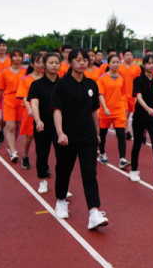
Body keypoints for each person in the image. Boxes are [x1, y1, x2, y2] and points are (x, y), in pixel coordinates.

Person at [51, 49, 108, 230]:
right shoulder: (62, 85)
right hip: (67, 136)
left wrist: (97, 133)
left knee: (89, 173)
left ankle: (94, 211)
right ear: (70, 63)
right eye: (77, 60)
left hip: (87, 136)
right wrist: (60, 132)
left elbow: (94, 112)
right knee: (64, 169)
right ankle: (61, 200)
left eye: (84, 60)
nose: (82, 63)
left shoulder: (91, 84)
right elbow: (57, 110)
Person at [129, 55, 153, 187]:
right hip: (140, 116)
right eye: (148, 63)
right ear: (144, 65)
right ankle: (134, 170)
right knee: (137, 144)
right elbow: (138, 97)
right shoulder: (138, 80)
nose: (151, 65)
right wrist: (147, 108)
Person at [28, 53, 61, 194]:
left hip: (61, 126)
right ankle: (42, 180)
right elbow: (34, 104)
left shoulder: (64, 84)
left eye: (57, 63)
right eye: (51, 63)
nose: (54, 65)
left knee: (63, 156)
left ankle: (62, 184)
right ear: (45, 65)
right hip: (43, 125)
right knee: (42, 154)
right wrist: (38, 120)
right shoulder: (36, 85)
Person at [0, 50, 27, 163]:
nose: (17, 58)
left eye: (20, 56)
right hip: (9, 100)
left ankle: (10, 146)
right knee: (11, 126)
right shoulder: (4, 72)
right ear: (11, 58)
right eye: (15, 56)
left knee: (17, 126)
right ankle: (13, 151)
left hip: (22, 101)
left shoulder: (26, 72)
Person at [96, 54, 128, 166]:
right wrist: (105, 108)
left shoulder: (121, 78)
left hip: (119, 111)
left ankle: (122, 159)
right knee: (103, 134)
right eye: (113, 62)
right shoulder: (102, 79)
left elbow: (123, 94)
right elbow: (100, 94)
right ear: (108, 64)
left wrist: (124, 108)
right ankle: (102, 153)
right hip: (105, 111)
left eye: (117, 62)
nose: (116, 64)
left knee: (121, 134)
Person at [17, 53, 45, 170]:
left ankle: (42, 163)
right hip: (31, 112)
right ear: (32, 64)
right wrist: (30, 109)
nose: (41, 65)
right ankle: (25, 155)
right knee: (29, 137)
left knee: (44, 139)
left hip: (45, 111)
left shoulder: (47, 78)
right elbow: (24, 96)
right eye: (38, 62)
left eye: (42, 62)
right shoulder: (25, 79)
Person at [118, 49, 141, 141]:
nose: (129, 57)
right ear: (123, 56)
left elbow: (139, 81)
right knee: (125, 113)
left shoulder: (137, 68)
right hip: (122, 95)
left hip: (133, 95)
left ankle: (128, 130)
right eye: (127, 55)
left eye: (130, 55)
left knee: (131, 115)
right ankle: (125, 131)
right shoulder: (119, 67)